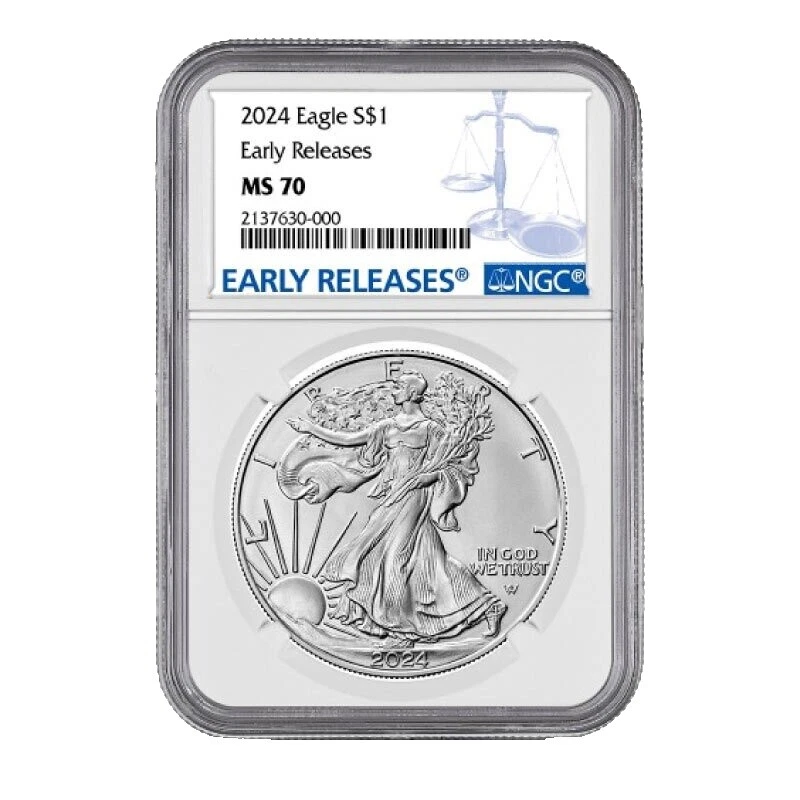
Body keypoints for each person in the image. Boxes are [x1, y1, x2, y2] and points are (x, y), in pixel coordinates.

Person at [286, 370, 506, 642]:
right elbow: (349, 439)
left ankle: (397, 624)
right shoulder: (387, 427)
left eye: (398, 387)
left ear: (412, 393)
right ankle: (486, 605)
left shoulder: (431, 429)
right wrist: (311, 429)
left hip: (415, 496)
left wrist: (429, 477)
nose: (393, 391)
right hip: (392, 495)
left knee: (395, 557)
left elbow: (454, 465)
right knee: (423, 559)